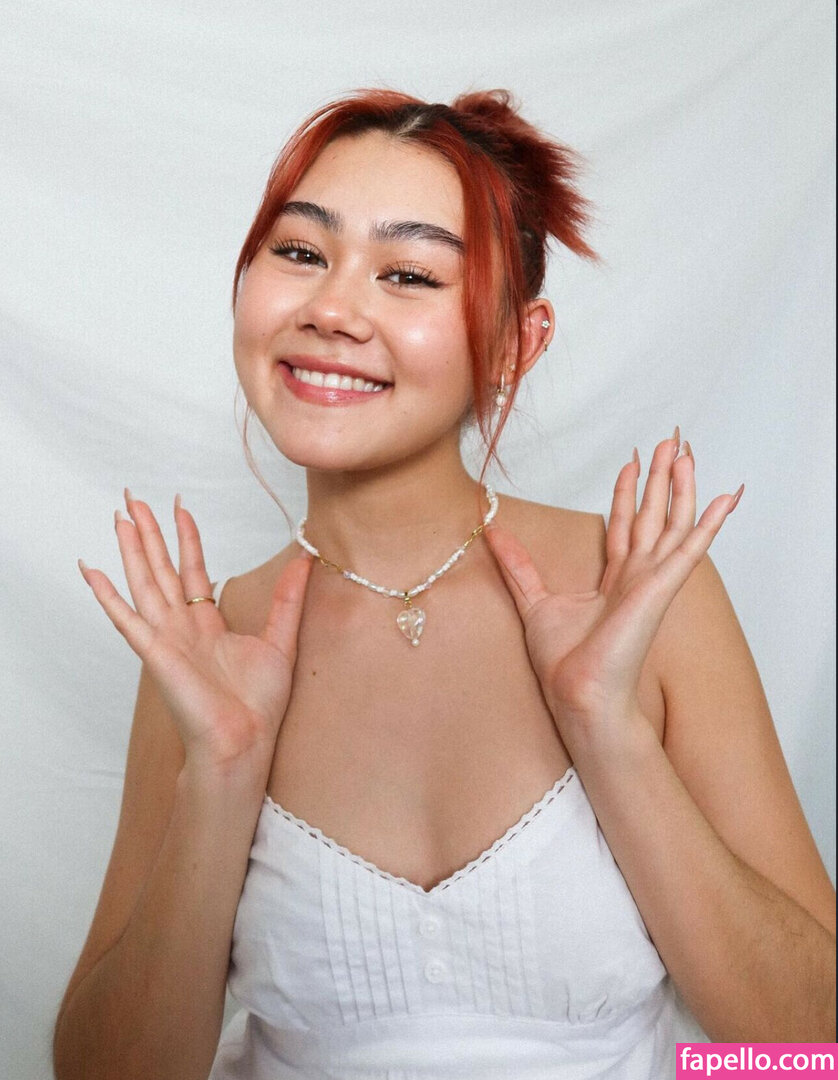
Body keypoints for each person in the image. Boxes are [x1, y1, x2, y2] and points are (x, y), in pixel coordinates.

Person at [53, 90, 835, 1080]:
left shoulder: (640, 598)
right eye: (300, 252)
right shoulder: (211, 642)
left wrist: (605, 728)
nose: (330, 310)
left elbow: (812, 1046)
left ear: (515, 343)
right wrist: (223, 769)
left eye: (409, 274)